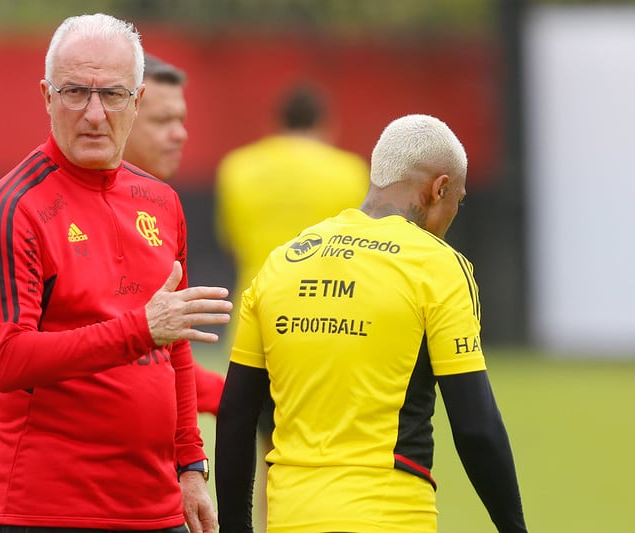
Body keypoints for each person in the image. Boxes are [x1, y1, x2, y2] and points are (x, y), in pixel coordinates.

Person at [0, 13, 232, 533]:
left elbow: (174, 348)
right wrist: (141, 329)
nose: (93, 114)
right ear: (46, 96)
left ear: (136, 100)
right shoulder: (13, 208)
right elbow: (9, 359)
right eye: (74, 93)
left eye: (111, 95)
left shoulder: (161, 200)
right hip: (48, 512)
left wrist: (191, 467)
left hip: (158, 509)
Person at [215, 114, 528, 532]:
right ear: (440, 189)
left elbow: (236, 416)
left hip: (291, 517)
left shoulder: (282, 262)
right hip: (391, 518)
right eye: (459, 199)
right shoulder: (438, 267)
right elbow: (475, 427)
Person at [214, 84, 370, 529]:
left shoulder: (238, 168)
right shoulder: (350, 171)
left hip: (256, 325)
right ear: (327, 124)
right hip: (329, 327)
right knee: (326, 458)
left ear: (275, 123)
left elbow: (233, 239)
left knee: (265, 454)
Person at [123, 53, 225, 416]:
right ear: (124, 117)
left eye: (181, 119)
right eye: (163, 120)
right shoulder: (80, 210)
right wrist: (234, 397)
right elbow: (127, 358)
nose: (180, 133)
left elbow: (163, 356)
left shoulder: (160, 205)